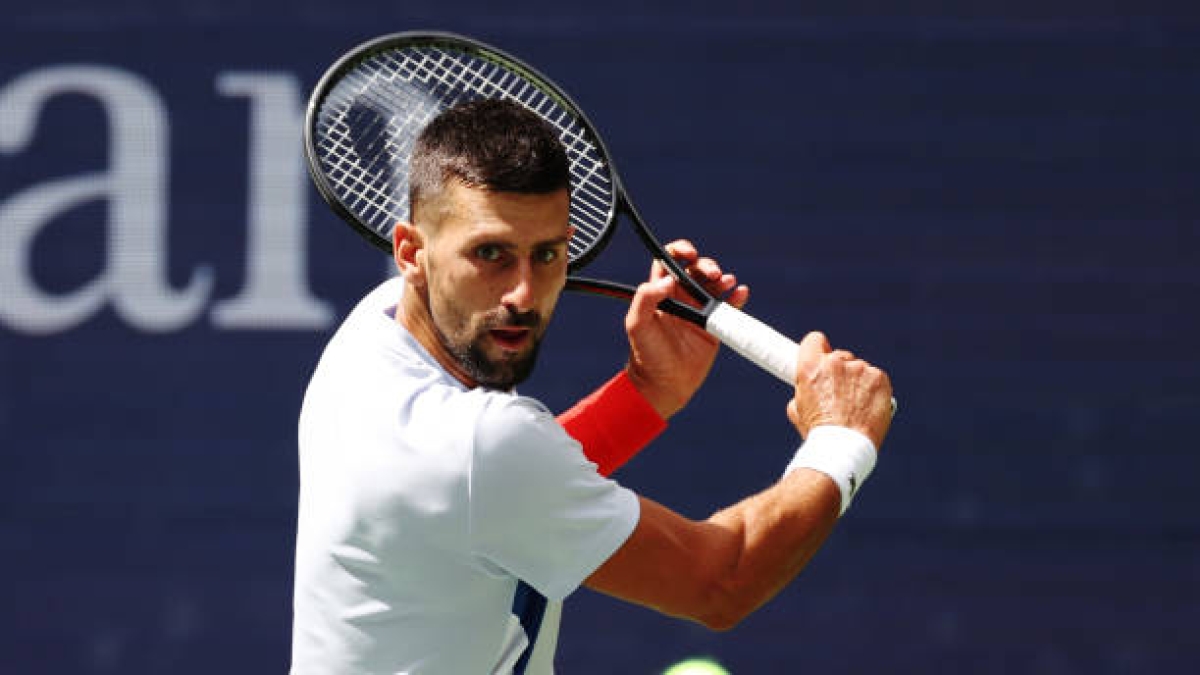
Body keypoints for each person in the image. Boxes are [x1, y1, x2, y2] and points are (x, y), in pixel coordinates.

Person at [290, 99, 893, 674]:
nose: (523, 293)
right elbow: (722, 581)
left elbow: (504, 491)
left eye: (547, 253)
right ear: (410, 251)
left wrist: (645, 391)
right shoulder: (478, 450)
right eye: (491, 253)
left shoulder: (373, 331)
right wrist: (842, 439)